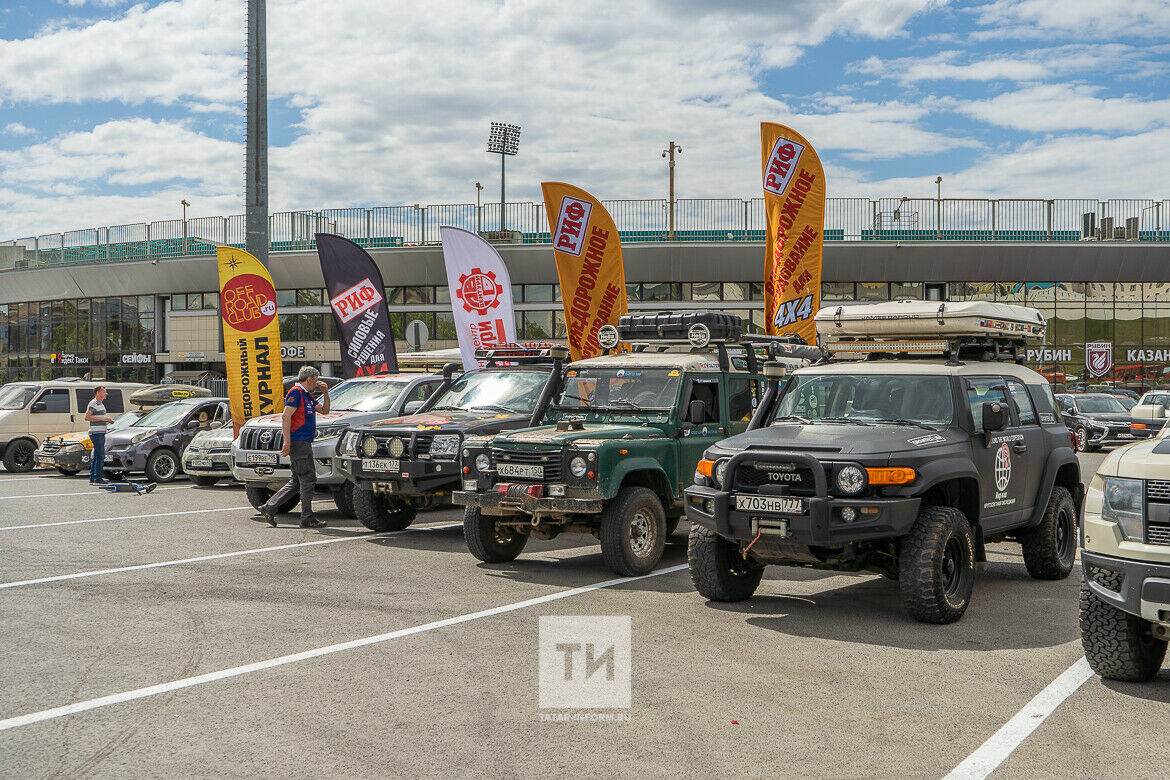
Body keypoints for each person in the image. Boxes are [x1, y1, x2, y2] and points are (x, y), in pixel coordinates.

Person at [257, 366, 331, 528]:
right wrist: (287, 442)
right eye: (316, 380)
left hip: (304, 442)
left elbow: (325, 411)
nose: (316, 383)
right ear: (310, 379)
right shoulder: (296, 392)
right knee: (308, 479)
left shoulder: (307, 395)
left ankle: (269, 507)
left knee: (298, 480)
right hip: (299, 442)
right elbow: (286, 416)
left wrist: (325, 393)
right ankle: (307, 517)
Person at [84, 386, 115, 485]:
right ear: (98, 392)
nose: (106, 394)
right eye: (104, 392)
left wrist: (107, 420)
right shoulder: (94, 403)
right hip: (96, 433)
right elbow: (87, 417)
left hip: (99, 432)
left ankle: (93, 478)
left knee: (97, 455)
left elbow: (97, 417)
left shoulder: (100, 404)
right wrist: (104, 419)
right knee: (101, 455)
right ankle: (98, 478)